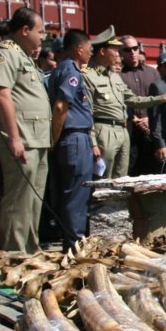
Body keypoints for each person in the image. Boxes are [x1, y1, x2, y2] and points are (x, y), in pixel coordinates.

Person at [0, 7, 51, 252]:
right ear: (25, 30)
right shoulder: (5, 53)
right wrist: (14, 138)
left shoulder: (25, 57)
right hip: (21, 137)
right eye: (40, 31)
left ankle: (30, 248)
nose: (42, 36)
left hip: (37, 139)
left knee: (33, 199)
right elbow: (2, 95)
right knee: (17, 199)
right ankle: (14, 253)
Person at [47, 29, 99, 249]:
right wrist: (54, 139)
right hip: (74, 137)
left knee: (71, 191)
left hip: (73, 138)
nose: (91, 52)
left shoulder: (64, 69)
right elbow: (60, 107)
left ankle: (72, 238)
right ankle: (75, 242)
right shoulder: (71, 71)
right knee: (76, 194)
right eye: (89, 48)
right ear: (79, 49)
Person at [84, 28, 134, 179]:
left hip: (123, 130)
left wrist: (161, 98)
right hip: (104, 132)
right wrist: (93, 142)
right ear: (102, 52)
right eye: (115, 50)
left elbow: (132, 99)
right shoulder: (88, 76)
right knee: (103, 180)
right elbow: (87, 113)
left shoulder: (114, 76)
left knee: (122, 180)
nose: (119, 55)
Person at [118, 35, 161, 175]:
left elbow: (159, 99)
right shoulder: (117, 75)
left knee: (153, 170)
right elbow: (118, 102)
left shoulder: (153, 73)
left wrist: (149, 118)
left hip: (152, 129)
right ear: (120, 52)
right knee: (131, 169)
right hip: (130, 130)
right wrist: (134, 119)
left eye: (135, 48)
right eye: (127, 49)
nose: (132, 52)